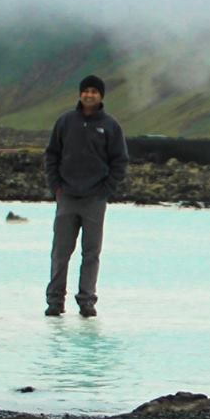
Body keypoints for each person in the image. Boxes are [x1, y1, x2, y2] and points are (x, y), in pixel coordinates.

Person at [43, 74, 130, 318]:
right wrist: (56, 186)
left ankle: (86, 300)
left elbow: (120, 161)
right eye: (86, 91)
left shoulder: (110, 126)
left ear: (101, 96)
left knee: (91, 253)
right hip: (67, 196)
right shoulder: (65, 122)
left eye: (94, 91)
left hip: (95, 199)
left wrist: (106, 189)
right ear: (80, 94)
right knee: (61, 252)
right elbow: (52, 155)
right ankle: (55, 301)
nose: (89, 95)